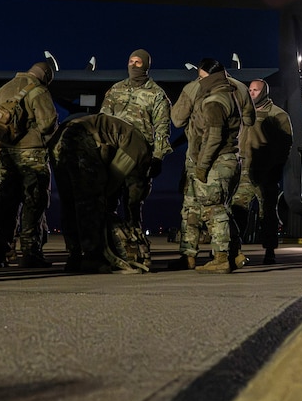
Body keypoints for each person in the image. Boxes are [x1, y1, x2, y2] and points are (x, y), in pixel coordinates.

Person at [171, 61, 252, 268]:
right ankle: (234, 252)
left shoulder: (200, 90)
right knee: (220, 206)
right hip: (234, 156)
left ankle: (201, 256)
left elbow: (178, 120)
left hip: (204, 157)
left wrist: (202, 164)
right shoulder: (239, 88)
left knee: (200, 208)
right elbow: (250, 119)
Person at [50, 112, 153, 273]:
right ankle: (93, 258)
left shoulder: (123, 132)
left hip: (58, 139)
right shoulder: (139, 146)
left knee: (70, 201)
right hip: (80, 137)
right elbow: (115, 180)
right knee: (91, 200)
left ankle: (75, 255)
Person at [100, 48, 172, 270]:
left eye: (138, 61)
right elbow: (103, 121)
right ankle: (110, 250)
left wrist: (158, 156)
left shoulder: (157, 95)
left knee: (133, 207)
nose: (133, 65)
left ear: (146, 65)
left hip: (139, 157)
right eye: (130, 60)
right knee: (105, 204)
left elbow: (162, 129)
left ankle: (138, 252)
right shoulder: (115, 90)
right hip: (114, 157)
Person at [0, 61, 58, 268]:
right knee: (33, 205)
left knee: (5, 206)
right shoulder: (38, 90)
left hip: (7, 157)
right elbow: (47, 124)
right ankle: (31, 253)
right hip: (32, 157)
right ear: (45, 76)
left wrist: (1, 151)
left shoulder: (2, 90)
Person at [240, 78, 293, 265]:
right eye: (250, 90)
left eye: (255, 90)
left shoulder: (278, 115)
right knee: (238, 210)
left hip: (266, 173)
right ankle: (234, 249)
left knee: (267, 214)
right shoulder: (243, 114)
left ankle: (269, 250)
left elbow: (285, 145)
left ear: (263, 92)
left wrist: (276, 168)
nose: (251, 93)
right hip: (244, 172)